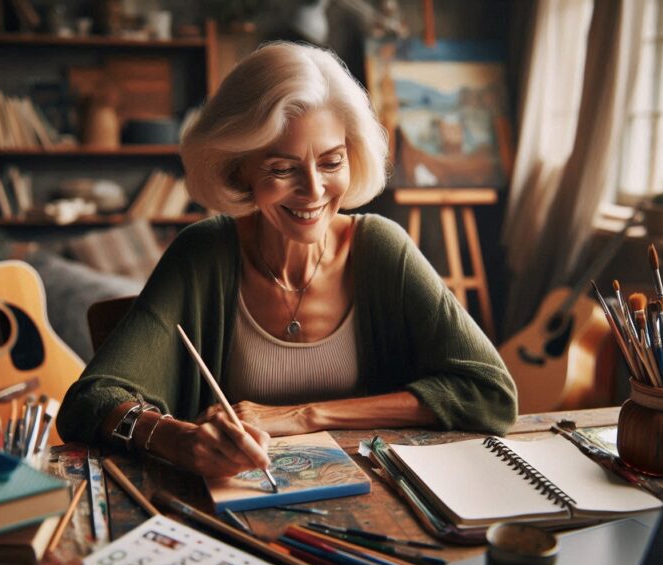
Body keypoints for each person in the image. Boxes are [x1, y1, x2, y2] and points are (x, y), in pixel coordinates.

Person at [56, 42, 517, 479]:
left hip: (377, 503)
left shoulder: (382, 248)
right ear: (238, 168)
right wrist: (177, 440)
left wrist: (304, 415)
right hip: (230, 515)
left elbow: (489, 394)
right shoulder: (202, 254)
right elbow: (88, 403)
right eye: (281, 168)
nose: (314, 190)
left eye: (332, 162)